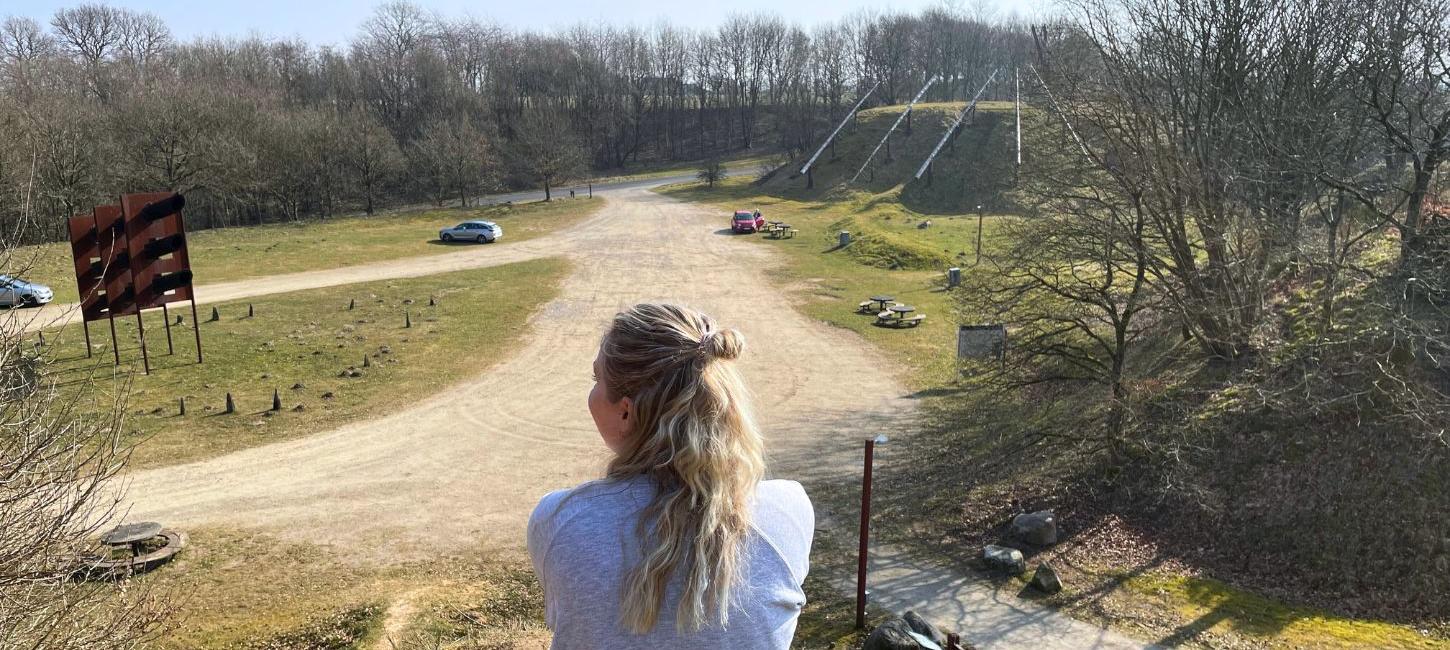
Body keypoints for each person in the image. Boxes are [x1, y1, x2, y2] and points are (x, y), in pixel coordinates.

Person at [528, 303, 814, 649]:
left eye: (596, 379)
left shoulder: (561, 521)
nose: (592, 391)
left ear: (626, 412)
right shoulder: (790, 511)